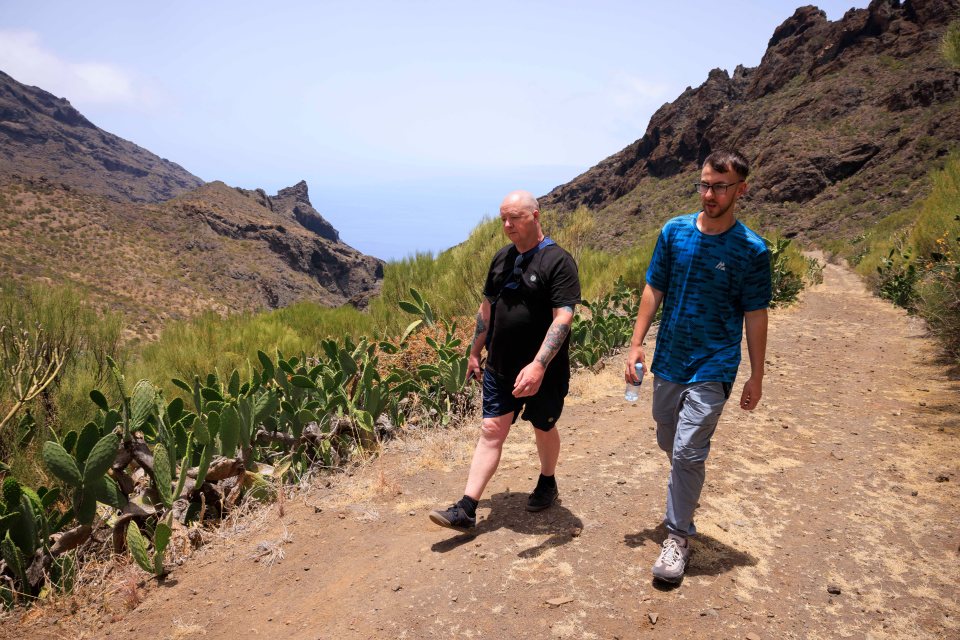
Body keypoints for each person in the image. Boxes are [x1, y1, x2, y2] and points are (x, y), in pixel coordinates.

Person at [625, 150, 771, 583]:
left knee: (688, 452)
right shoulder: (674, 232)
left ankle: (677, 537)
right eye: (704, 184)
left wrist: (756, 374)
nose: (709, 194)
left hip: (715, 363)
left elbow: (756, 314)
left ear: (741, 189)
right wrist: (636, 344)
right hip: (670, 358)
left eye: (719, 186)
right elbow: (655, 287)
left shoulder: (752, 250)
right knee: (669, 438)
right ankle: (686, 485)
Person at [429, 190, 581, 531]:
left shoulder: (558, 262)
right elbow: (486, 310)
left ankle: (547, 480)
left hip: (545, 370)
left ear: (536, 216)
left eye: (515, 217)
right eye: (503, 219)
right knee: (491, 429)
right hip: (500, 365)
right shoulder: (501, 259)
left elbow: (563, 318)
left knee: (543, 426)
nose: (508, 225)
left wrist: (539, 364)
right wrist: (473, 351)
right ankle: (466, 507)